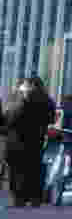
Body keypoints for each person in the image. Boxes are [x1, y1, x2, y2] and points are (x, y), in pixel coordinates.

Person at [1, 71, 59, 208]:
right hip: (35, 139)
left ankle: (19, 198)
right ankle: (34, 198)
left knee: (17, 170)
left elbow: (8, 117)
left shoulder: (15, 97)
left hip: (15, 139)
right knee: (34, 168)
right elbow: (51, 118)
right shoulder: (46, 98)